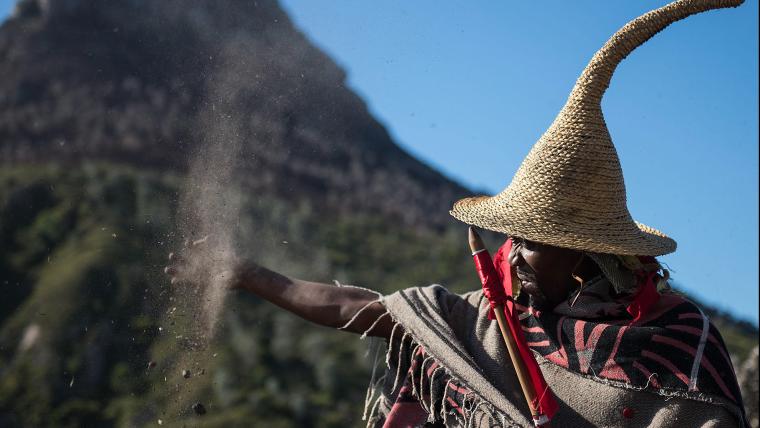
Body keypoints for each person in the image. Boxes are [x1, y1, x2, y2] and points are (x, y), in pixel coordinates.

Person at [165, 0, 749, 426]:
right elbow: (363, 309)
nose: (514, 255)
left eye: (534, 242)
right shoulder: (489, 325)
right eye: (513, 237)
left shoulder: (676, 343)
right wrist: (245, 274)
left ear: (583, 256)